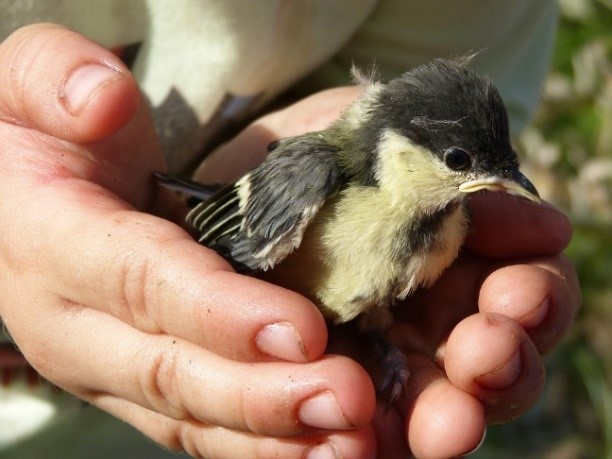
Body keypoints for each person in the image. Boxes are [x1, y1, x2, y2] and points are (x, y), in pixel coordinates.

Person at [0, 1, 580, 458]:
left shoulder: (450, 222)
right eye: (460, 165)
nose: (486, 183)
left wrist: (385, 350)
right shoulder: (319, 184)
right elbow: (219, 231)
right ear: (397, 149)